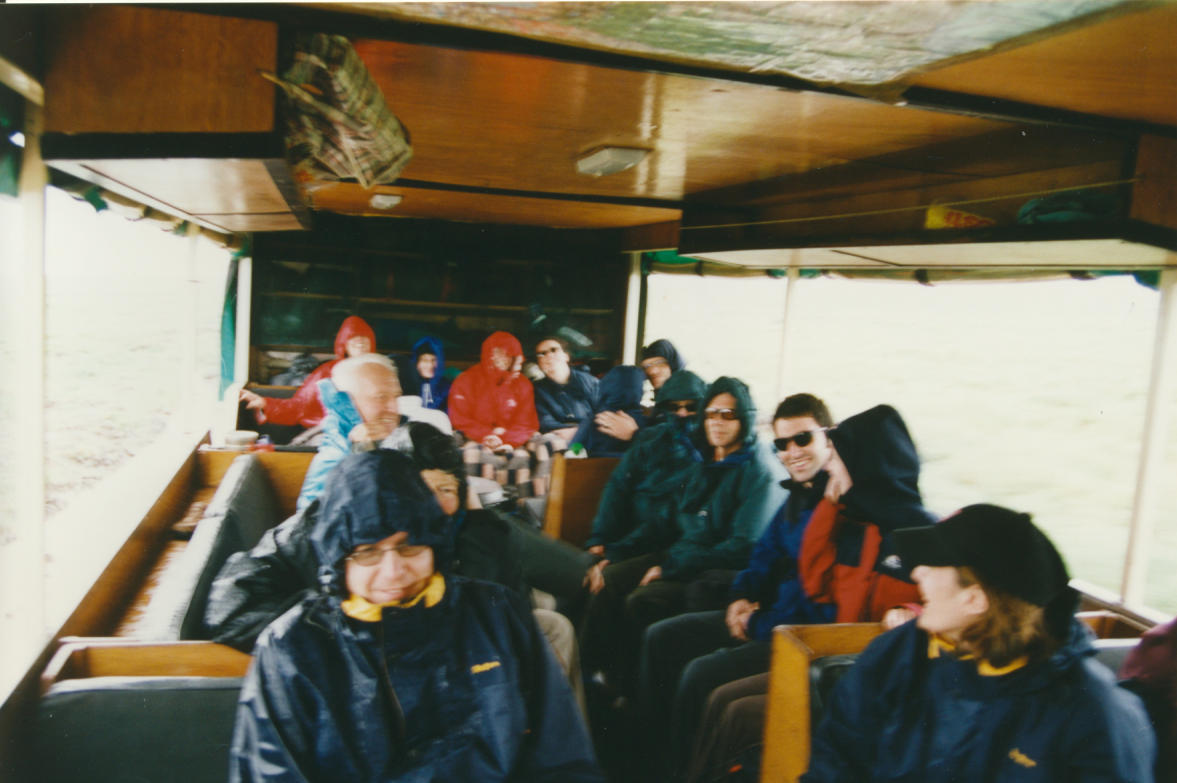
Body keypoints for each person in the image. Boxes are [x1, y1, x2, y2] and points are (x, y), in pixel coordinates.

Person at [228, 450, 604, 783]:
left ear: (435, 545)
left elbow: (562, 757)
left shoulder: (497, 613)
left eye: (409, 546)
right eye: (368, 552)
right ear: (338, 561)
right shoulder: (292, 648)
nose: (393, 572)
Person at [648, 402, 937, 783]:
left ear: (866, 465)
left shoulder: (926, 538)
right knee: (718, 694)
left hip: (854, 668)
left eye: (835, 458)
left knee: (729, 704)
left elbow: (944, 606)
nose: (830, 468)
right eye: (781, 444)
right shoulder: (851, 525)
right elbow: (814, 579)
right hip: (823, 656)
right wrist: (831, 508)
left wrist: (911, 609)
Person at [803, 504, 1155, 783]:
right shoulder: (894, 657)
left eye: (932, 565)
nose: (915, 574)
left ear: (974, 600)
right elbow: (834, 764)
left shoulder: (1097, 717)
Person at [637, 393, 838, 780]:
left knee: (700, 674)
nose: (791, 451)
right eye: (781, 443)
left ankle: (679, 771)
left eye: (803, 439)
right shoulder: (797, 498)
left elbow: (813, 598)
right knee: (662, 636)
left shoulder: (834, 503)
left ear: (828, 437)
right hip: (766, 614)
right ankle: (648, 757)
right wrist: (740, 597)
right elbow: (762, 555)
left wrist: (756, 621)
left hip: (797, 635)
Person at [579, 377, 788, 696]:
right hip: (680, 553)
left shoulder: (758, 471)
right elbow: (666, 520)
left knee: (642, 601)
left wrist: (671, 568)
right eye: (711, 413)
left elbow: (742, 547)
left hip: (709, 568)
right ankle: (593, 679)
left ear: (744, 418)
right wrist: (617, 553)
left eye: (728, 414)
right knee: (609, 580)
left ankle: (633, 692)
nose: (716, 421)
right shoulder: (705, 459)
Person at [294, 353, 450, 511]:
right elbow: (316, 526)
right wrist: (359, 459)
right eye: (380, 398)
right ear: (348, 402)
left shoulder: (398, 441)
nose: (394, 409)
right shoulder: (336, 458)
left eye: (396, 397)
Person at [583, 369, 707, 557]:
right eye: (674, 407)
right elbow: (617, 486)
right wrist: (600, 537)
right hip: (629, 532)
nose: (682, 414)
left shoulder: (710, 450)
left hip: (668, 541)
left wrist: (618, 551)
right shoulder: (650, 438)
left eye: (691, 407)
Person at [239, 315, 375, 430]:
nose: (359, 340)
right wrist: (265, 403)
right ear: (343, 344)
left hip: (372, 434)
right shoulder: (327, 371)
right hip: (331, 433)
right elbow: (299, 405)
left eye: (364, 336)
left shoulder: (383, 371)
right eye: (352, 336)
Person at [449, 331, 539, 488]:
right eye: (497, 352)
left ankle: (518, 504)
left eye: (508, 354)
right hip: (474, 437)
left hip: (512, 440)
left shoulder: (523, 385)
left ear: (516, 357)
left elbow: (526, 421)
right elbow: (460, 418)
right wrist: (486, 436)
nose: (502, 358)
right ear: (488, 353)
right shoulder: (466, 380)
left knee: (521, 458)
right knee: (474, 455)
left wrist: (509, 441)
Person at [570, 365, 650, 457]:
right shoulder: (649, 425)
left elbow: (570, 456)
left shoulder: (592, 423)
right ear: (640, 390)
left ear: (605, 387)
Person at [533, 334, 599, 444]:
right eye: (542, 353)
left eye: (554, 350)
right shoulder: (538, 389)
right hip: (559, 437)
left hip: (592, 436)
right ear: (540, 364)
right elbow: (545, 421)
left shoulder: (590, 382)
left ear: (566, 356)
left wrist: (580, 431)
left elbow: (603, 413)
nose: (549, 355)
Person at [397, 335, 450, 411]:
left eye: (434, 360)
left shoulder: (447, 390)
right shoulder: (407, 387)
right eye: (424, 360)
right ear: (417, 362)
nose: (430, 365)